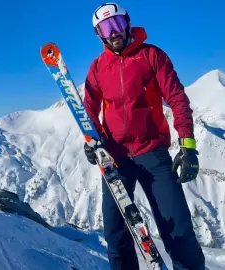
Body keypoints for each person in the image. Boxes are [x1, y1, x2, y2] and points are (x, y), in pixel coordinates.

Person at [83, 2, 206, 270]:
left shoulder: (152, 56)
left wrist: (187, 145)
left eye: (117, 24)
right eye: (106, 27)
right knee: (116, 235)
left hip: (153, 152)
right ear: (99, 34)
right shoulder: (97, 68)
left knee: (178, 231)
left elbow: (177, 99)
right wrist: (91, 141)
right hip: (115, 158)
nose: (113, 32)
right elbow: (88, 109)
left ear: (127, 24)